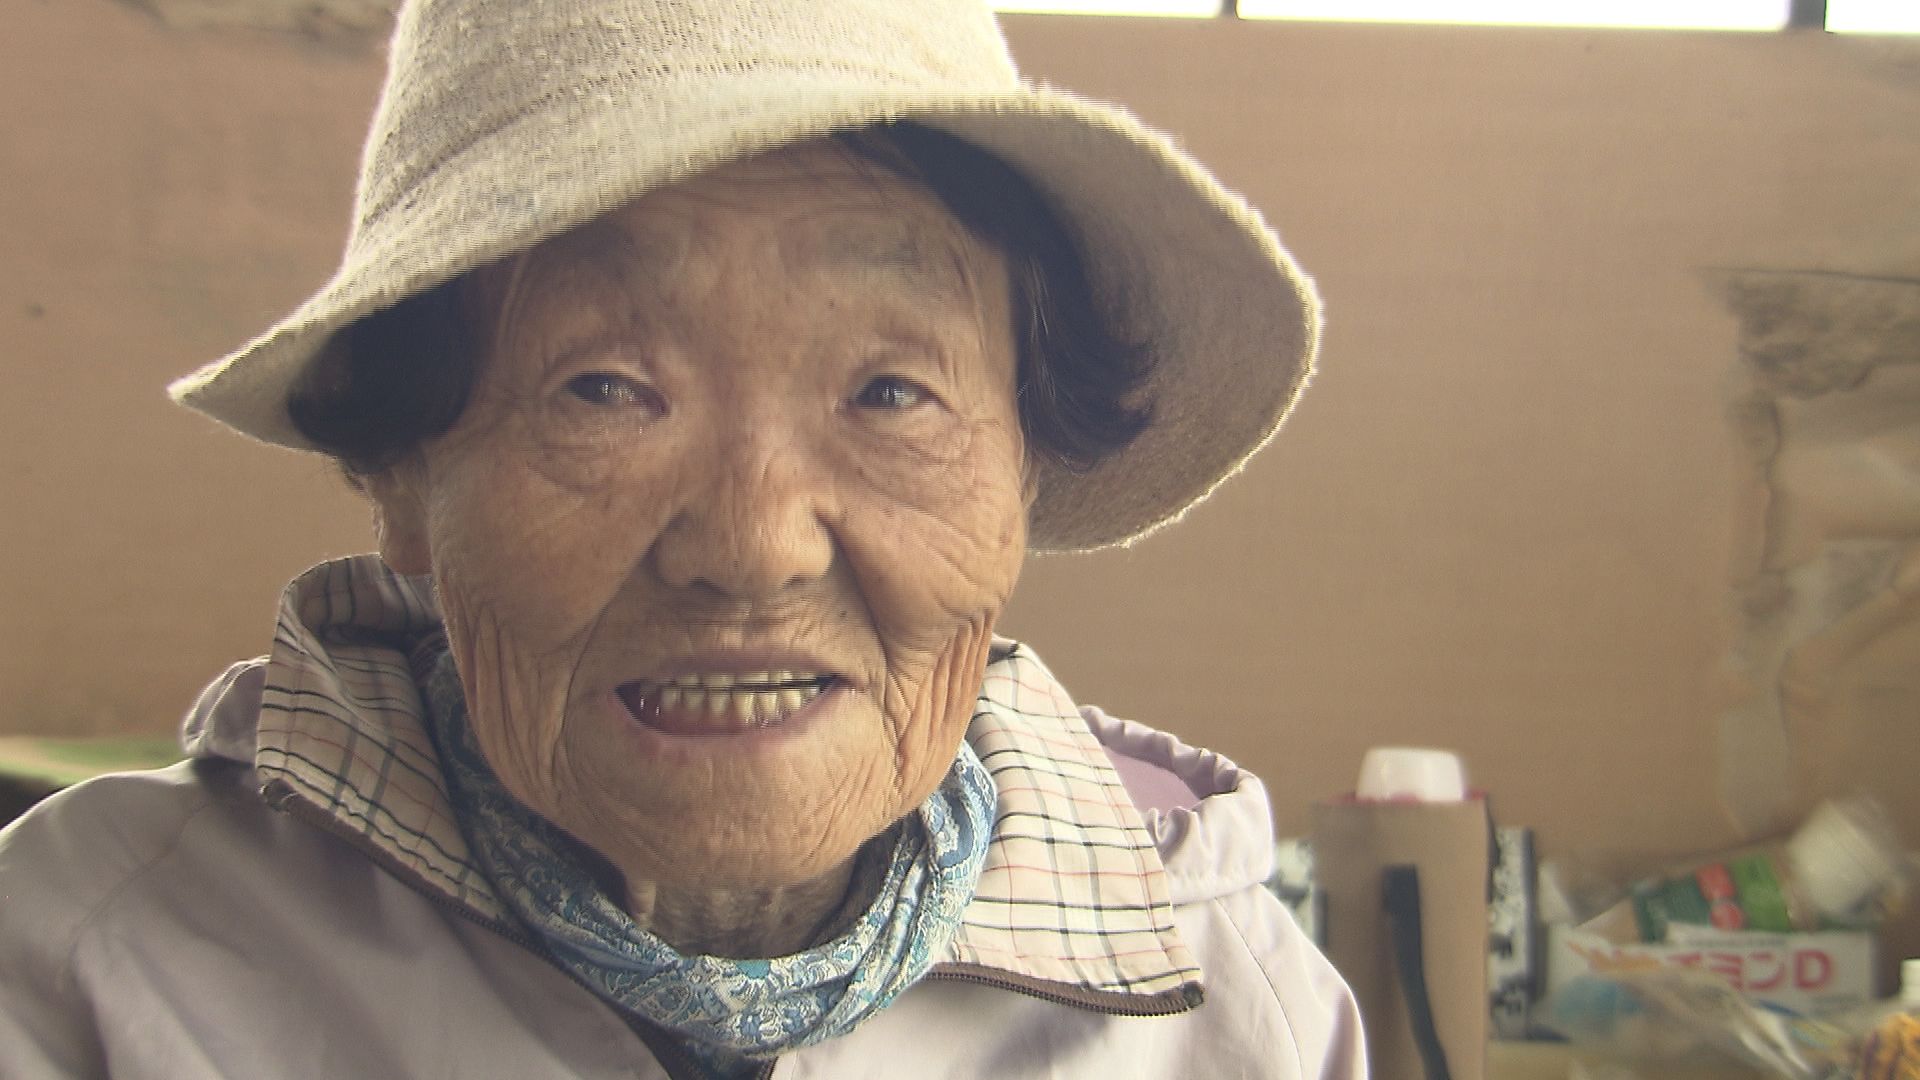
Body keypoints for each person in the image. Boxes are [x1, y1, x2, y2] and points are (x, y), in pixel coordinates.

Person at [0, 0, 1363, 1076]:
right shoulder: (93, 972)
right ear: (403, 474)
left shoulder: (1241, 1014)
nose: (755, 548)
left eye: (890, 393)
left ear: (1024, 469)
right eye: (605, 390)